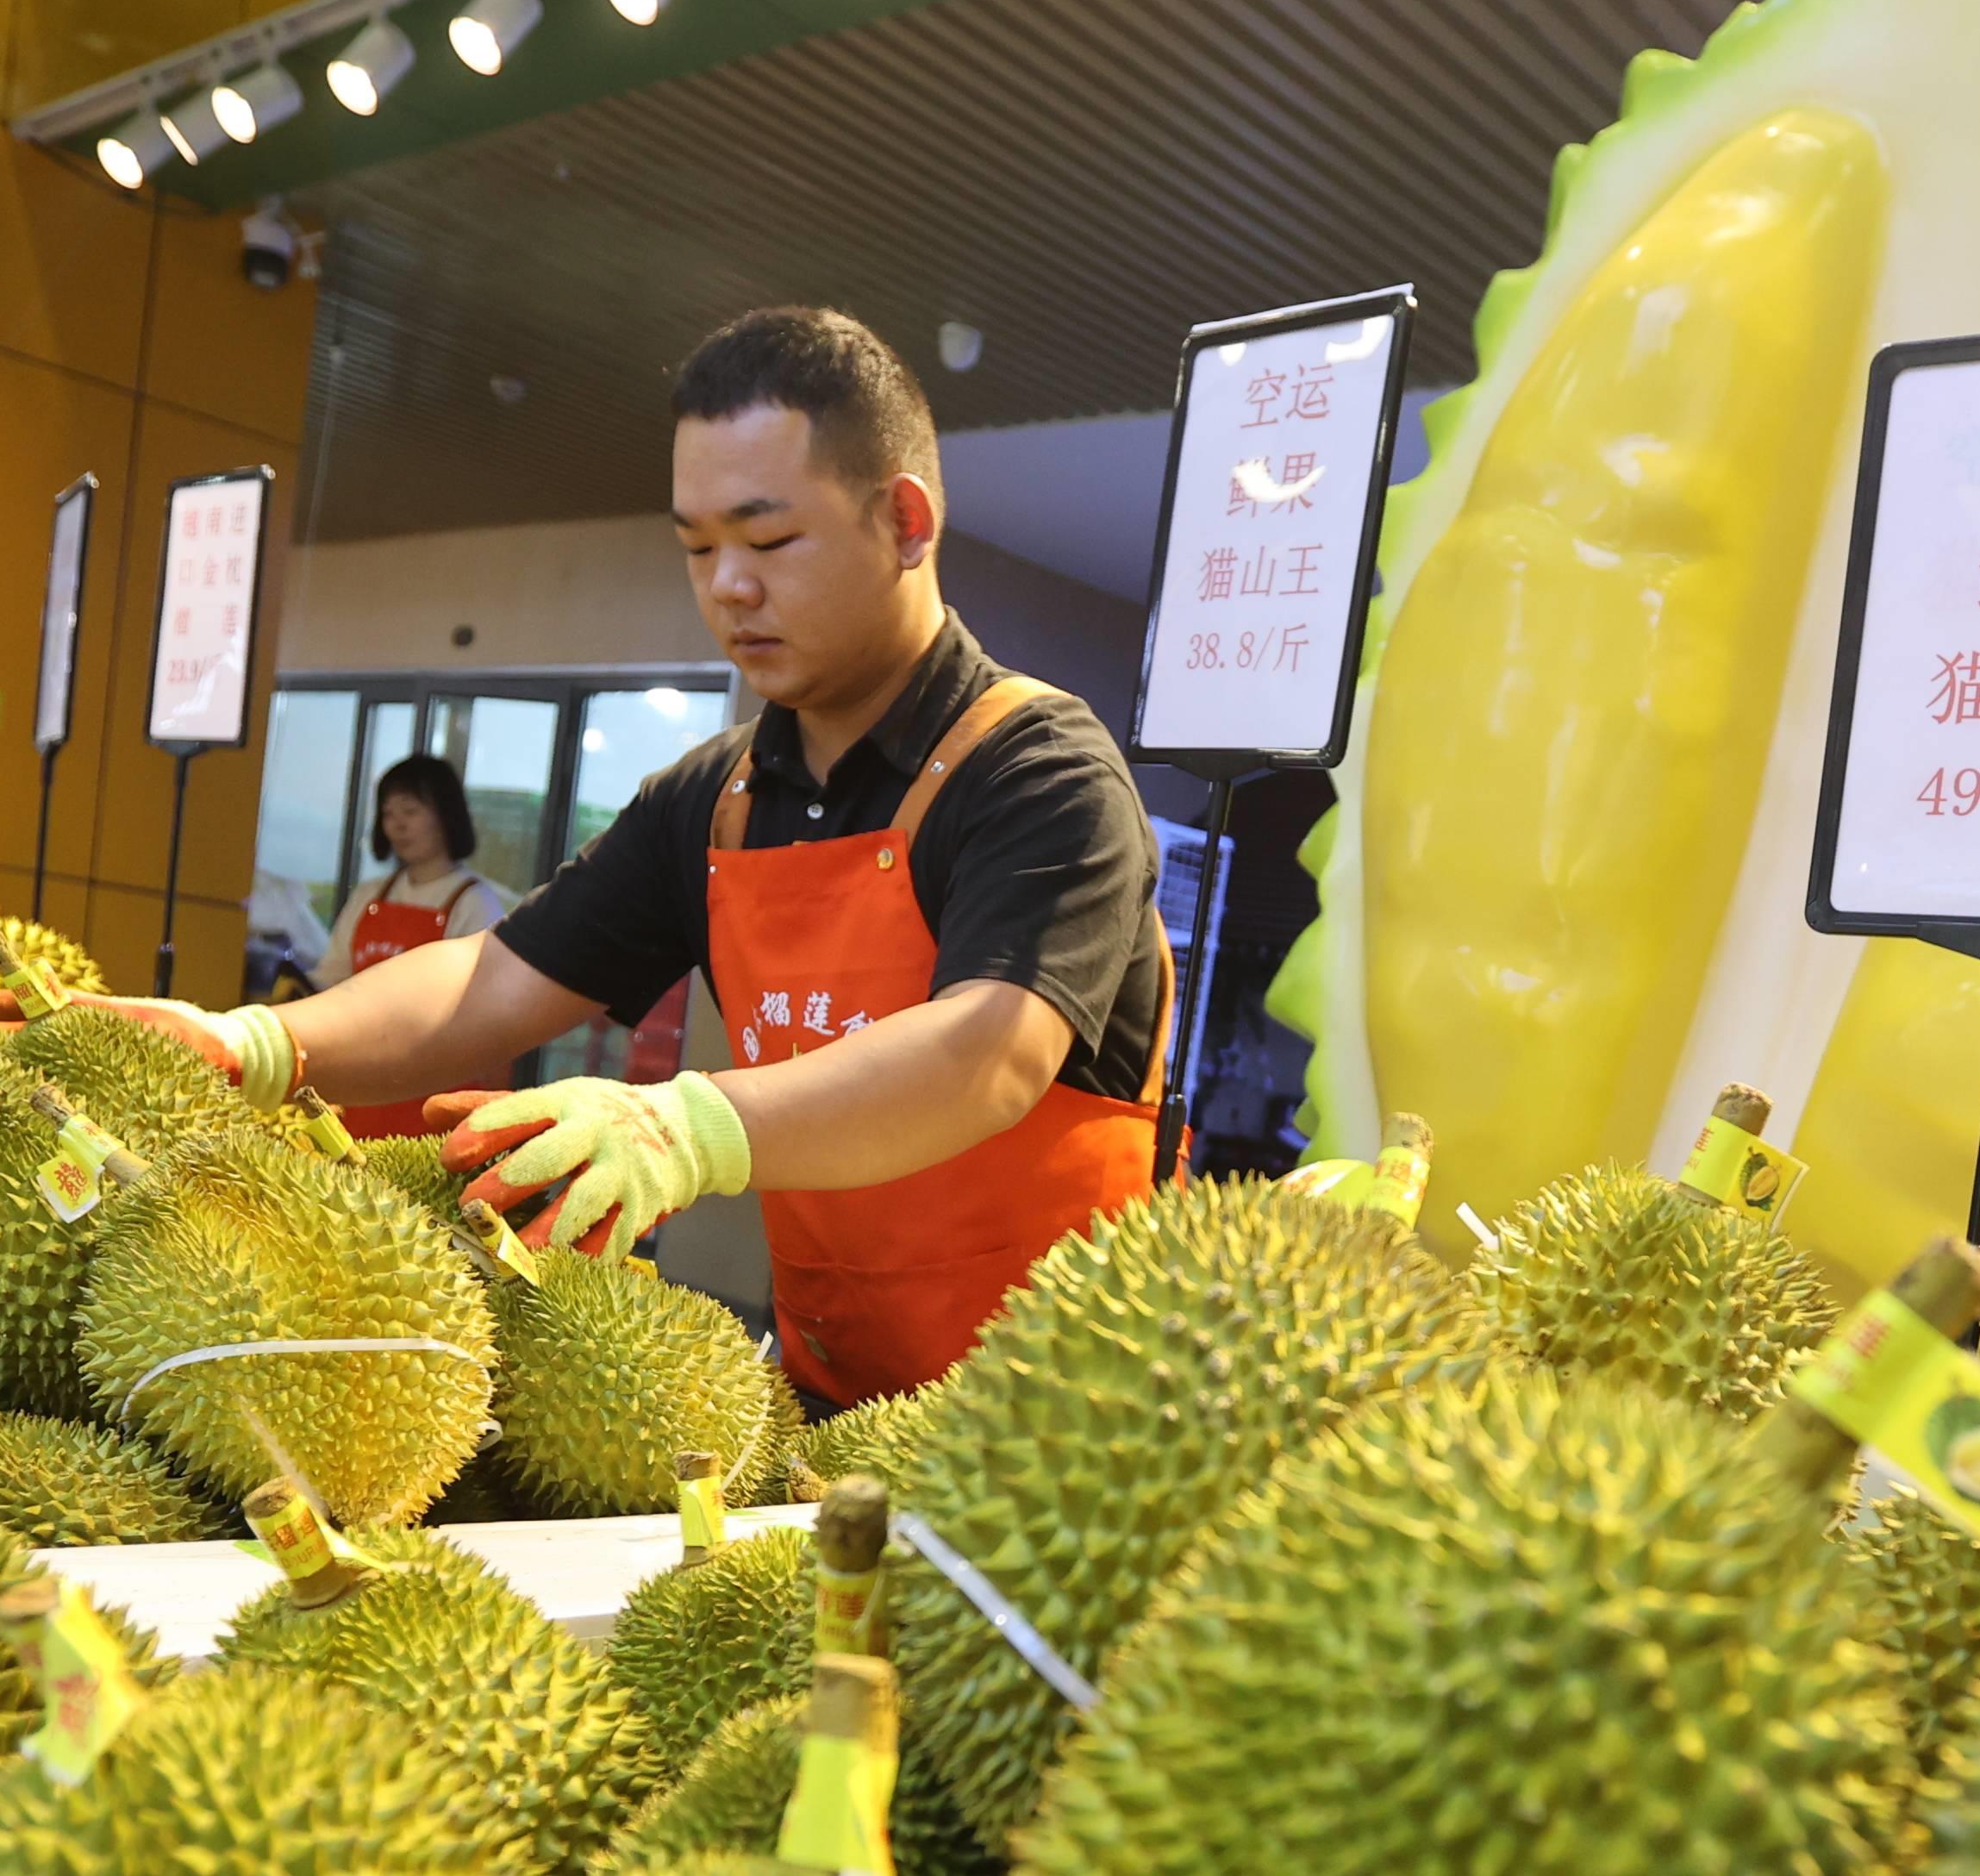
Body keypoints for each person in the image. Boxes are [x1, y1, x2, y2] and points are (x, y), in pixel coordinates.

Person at [59, 306, 1167, 1408]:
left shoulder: (1040, 771)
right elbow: (495, 979)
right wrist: (254, 1042)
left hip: (1058, 1432)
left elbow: (990, 1051)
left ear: (908, 521)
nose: (728, 584)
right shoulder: (715, 799)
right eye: (697, 547)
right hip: (834, 1407)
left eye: (769, 539)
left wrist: (680, 1126)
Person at [317, 751, 511, 1135]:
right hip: (358, 1080)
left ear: (445, 814)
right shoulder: (371, 895)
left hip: (432, 1095)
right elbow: (331, 977)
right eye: (388, 813)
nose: (398, 825)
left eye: (410, 810)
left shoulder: (474, 902)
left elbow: (483, 1014)